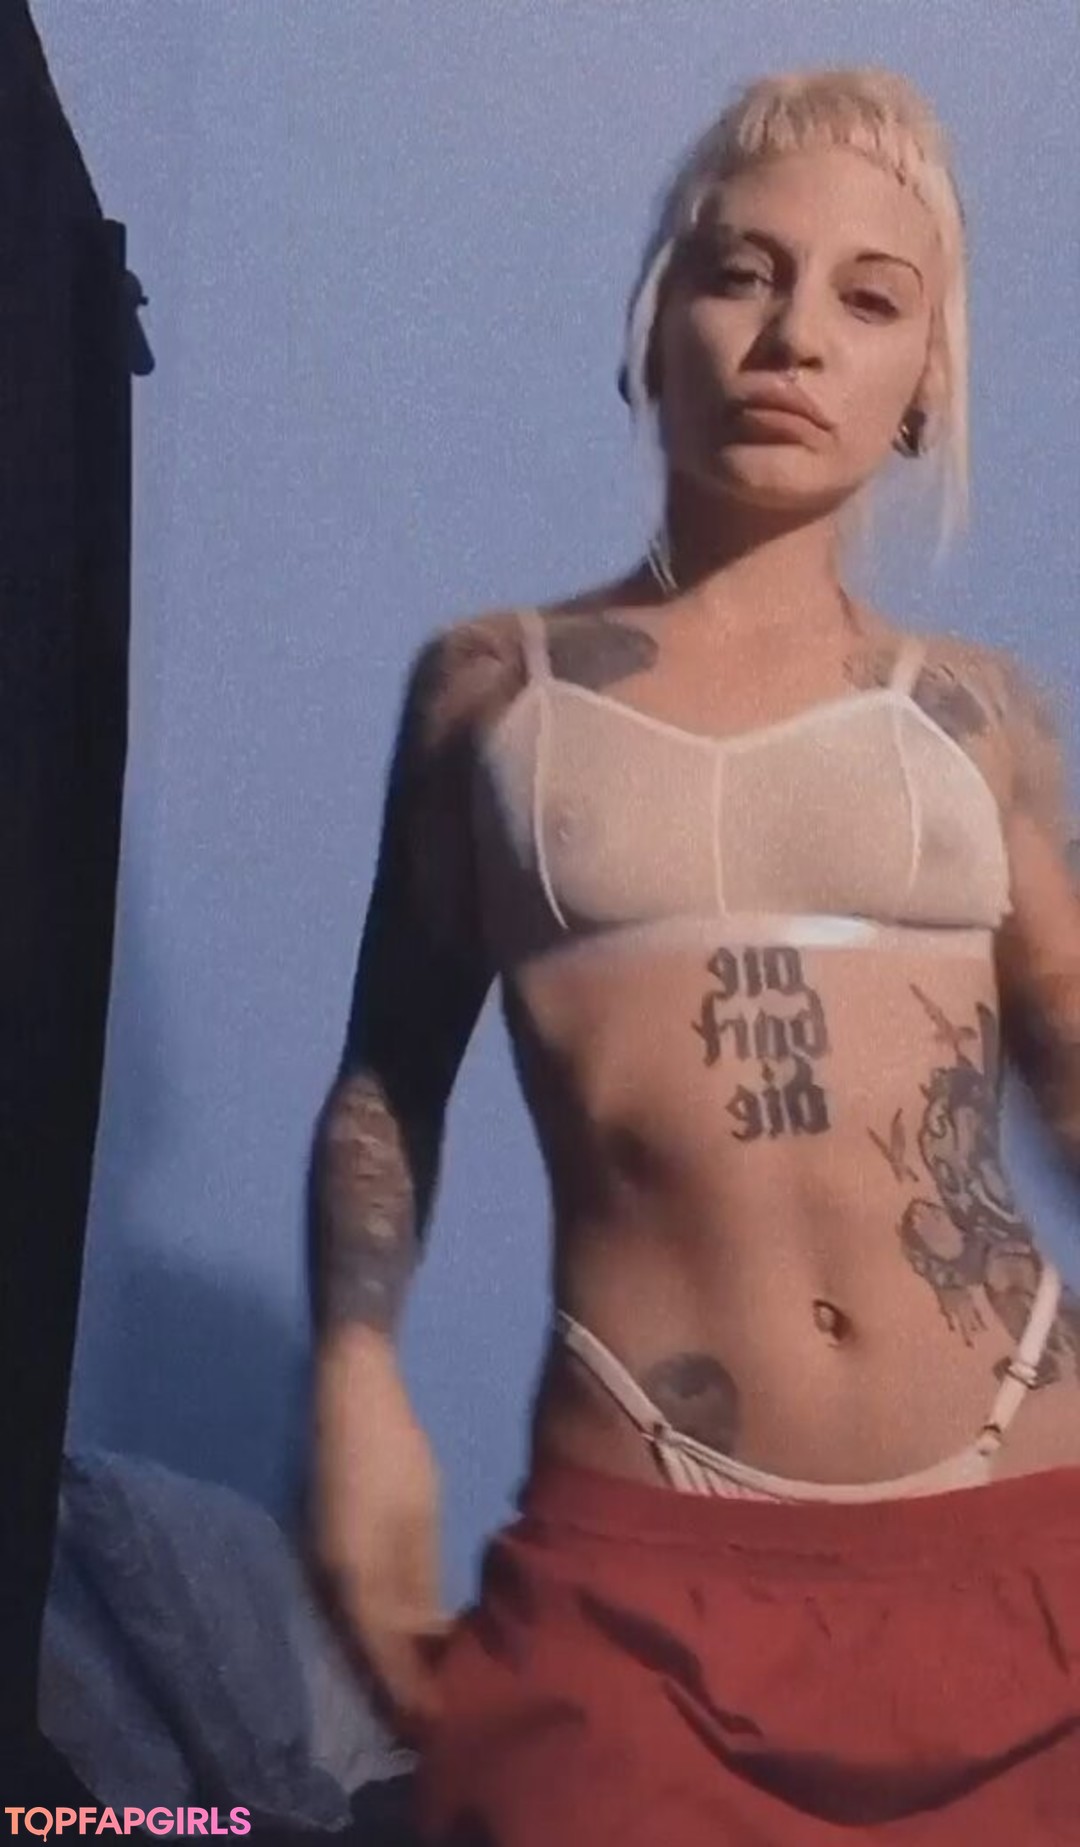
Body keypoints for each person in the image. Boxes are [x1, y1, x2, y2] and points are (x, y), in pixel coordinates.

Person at [307, 66, 1080, 1844]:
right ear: (656, 325)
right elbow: (387, 1085)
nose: (794, 335)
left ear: (924, 384)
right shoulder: (491, 692)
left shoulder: (978, 716)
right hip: (645, 1569)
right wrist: (354, 1377)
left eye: (870, 298)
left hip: (1031, 1538)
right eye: (742, 273)